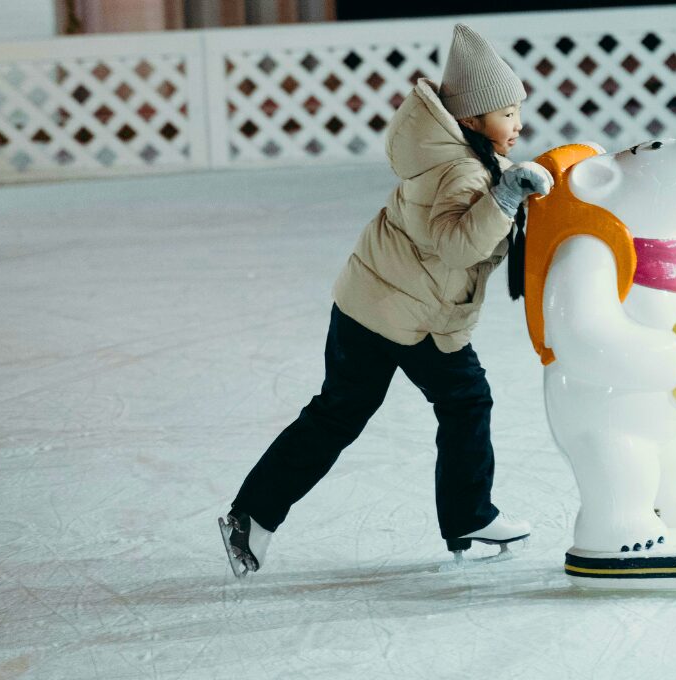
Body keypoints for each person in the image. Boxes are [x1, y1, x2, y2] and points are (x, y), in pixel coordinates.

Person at [218, 23, 553, 576]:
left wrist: (510, 197)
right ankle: (469, 514)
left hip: (368, 303)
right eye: (507, 113)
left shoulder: (448, 155)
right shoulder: (462, 170)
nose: (518, 125)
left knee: (338, 414)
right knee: (465, 400)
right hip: (410, 315)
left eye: (518, 112)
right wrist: (506, 195)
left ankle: (251, 516)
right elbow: (457, 246)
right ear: (472, 119)